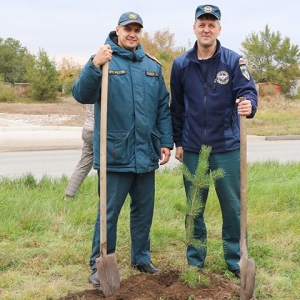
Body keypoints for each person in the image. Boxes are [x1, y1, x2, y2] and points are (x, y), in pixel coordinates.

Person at [72, 11, 173, 287]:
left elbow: (163, 107)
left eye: (137, 29)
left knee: (144, 210)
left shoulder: (152, 66)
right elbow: (81, 94)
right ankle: (100, 262)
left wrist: (165, 141)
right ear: (117, 29)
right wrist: (94, 65)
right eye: (128, 28)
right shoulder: (104, 60)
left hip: (146, 153)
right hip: (114, 154)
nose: (132, 33)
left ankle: (141, 257)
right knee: (109, 212)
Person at [170, 4, 258, 278]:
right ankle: (195, 258)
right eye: (202, 24)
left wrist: (249, 105)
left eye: (212, 24)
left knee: (232, 206)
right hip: (194, 146)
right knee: (194, 206)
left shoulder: (233, 61)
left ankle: (235, 259)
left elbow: (248, 92)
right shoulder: (181, 64)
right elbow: (177, 107)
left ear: (219, 29)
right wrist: (178, 142)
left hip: (227, 146)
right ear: (194, 28)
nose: (206, 29)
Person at [65, 104, 94, 198]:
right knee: (112, 164)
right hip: (99, 131)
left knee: (84, 163)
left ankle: (69, 195)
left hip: (88, 129)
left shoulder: (90, 89)